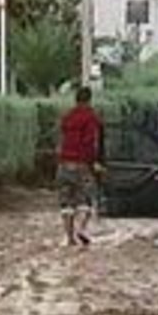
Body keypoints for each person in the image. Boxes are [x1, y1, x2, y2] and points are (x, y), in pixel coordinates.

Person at [57, 86, 105, 247]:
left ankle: (69, 238)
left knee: (66, 202)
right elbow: (90, 143)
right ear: (89, 100)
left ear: (76, 99)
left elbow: (61, 140)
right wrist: (95, 162)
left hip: (64, 164)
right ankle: (81, 229)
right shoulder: (91, 118)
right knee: (86, 198)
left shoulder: (67, 117)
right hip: (82, 164)